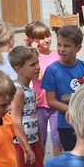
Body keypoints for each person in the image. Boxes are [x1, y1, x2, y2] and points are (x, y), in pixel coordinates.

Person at [41, 24, 84, 152]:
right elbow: (51, 101)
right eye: (59, 45)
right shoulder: (52, 71)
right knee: (73, 158)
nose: (61, 49)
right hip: (67, 124)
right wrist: (76, 112)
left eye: (67, 46)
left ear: (78, 48)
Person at [25, 21, 63, 158]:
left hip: (56, 104)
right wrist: (35, 52)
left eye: (48, 35)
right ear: (33, 41)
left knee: (57, 140)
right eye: (42, 38)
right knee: (41, 140)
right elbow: (39, 76)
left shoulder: (56, 55)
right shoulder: (33, 57)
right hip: (40, 105)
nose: (47, 40)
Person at [8, 46, 44, 167]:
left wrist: (40, 141)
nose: (37, 67)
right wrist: (27, 149)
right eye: (32, 65)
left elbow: (34, 117)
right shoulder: (18, 91)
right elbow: (15, 122)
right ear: (18, 69)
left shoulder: (30, 90)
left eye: (37, 63)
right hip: (21, 145)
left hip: (32, 141)